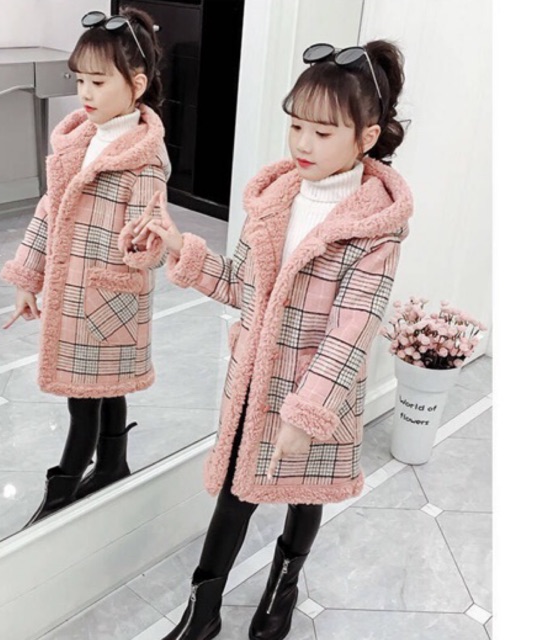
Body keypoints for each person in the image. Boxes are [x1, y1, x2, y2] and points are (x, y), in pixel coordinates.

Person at [133, 40, 413, 640]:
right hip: (253, 385)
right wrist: (181, 248)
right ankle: (202, 613)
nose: (303, 143)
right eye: (296, 126)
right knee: (234, 495)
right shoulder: (273, 201)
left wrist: (305, 414)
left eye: (322, 132)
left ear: (366, 137)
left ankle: (282, 589)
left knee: (305, 495)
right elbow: (241, 286)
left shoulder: (375, 228)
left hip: (317, 395)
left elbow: (351, 333)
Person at [0, 7, 171, 525]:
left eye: (98, 81)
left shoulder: (145, 158)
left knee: (85, 399)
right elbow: (49, 210)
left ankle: (62, 490)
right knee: (104, 388)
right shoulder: (79, 139)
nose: (85, 93)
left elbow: (150, 243)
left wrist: (142, 243)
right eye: (80, 80)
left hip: (108, 299)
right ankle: (113, 464)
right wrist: (28, 277)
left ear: (136, 85)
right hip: (74, 293)